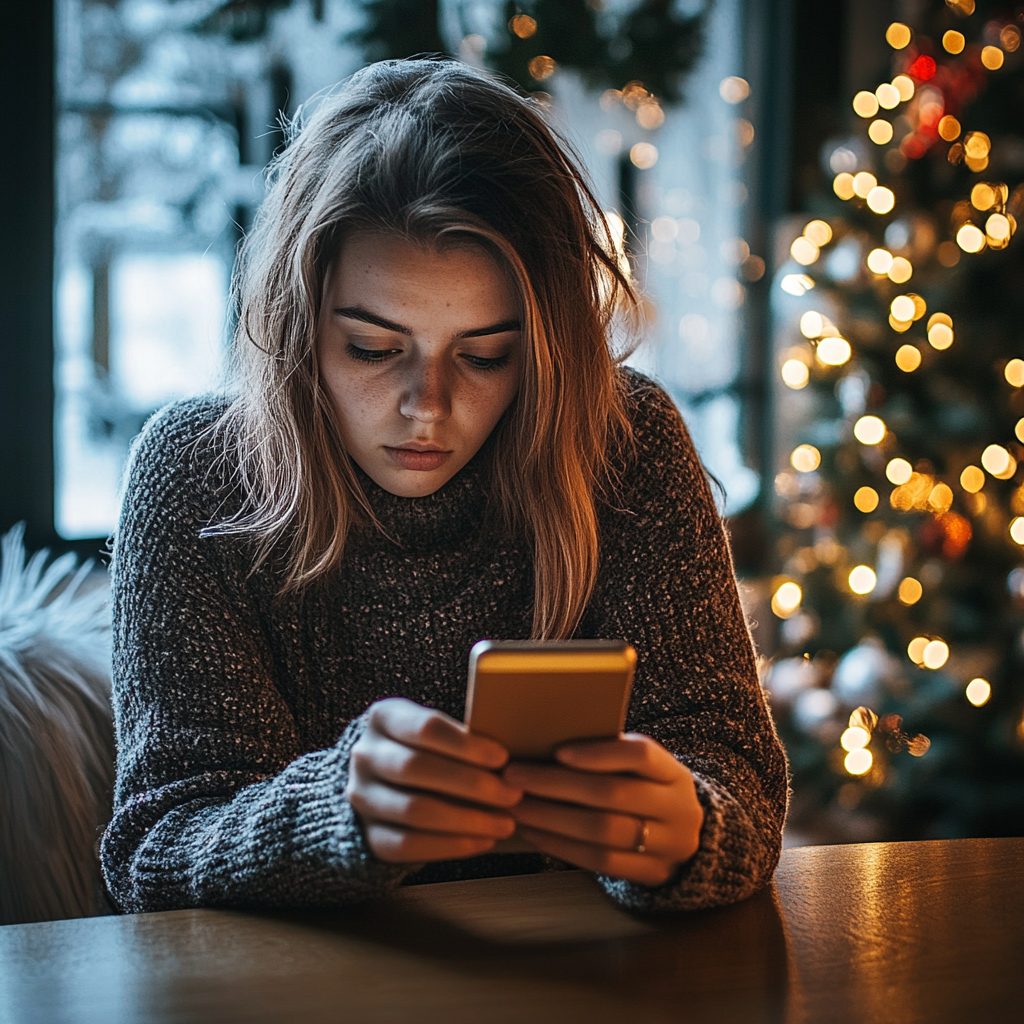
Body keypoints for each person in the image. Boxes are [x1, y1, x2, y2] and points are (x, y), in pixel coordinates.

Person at [100, 57, 787, 915]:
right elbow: (157, 852)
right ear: (296, 323)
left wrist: (684, 832)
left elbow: (738, 781)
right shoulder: (198, 475)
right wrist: (332, 815)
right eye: (373, 349)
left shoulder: (624, 442)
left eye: (485, 356)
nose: (427, 408)